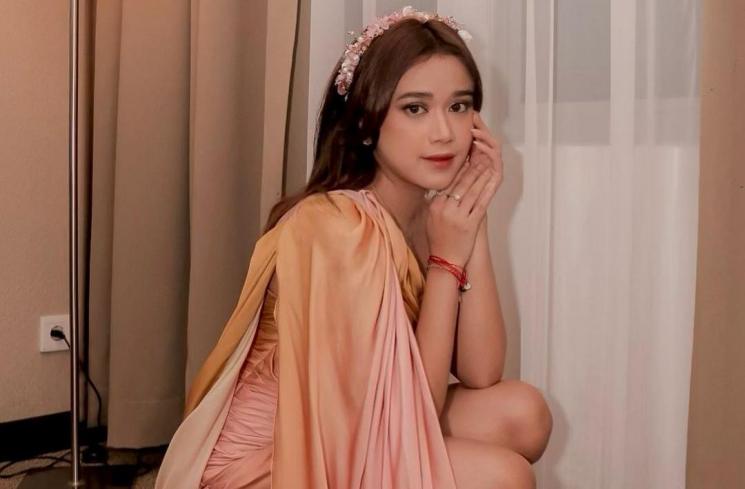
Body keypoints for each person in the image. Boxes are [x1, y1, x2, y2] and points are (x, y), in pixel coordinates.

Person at [154, 5, 552, 489]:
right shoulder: (336, 227)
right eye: (415, 108)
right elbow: (410, 411)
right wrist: (447, 262)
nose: (445, 132)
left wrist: (473, 216)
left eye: (459, 106)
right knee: (506, 477)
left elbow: (481, 371)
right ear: (366, 125)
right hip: (278, 458)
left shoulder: (430, 219)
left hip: (365, 427)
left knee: (524, 412)